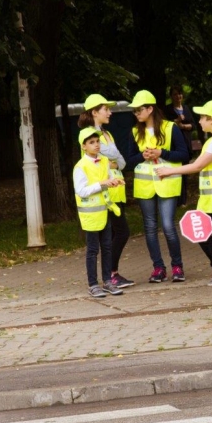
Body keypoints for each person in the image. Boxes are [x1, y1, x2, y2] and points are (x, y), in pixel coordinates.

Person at [156, 100, 212, 288]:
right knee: (198, 231)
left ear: (211, 119)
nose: (200, 122)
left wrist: (168, 171)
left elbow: (197, 166)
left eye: (203, 118)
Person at [126, 90, 189, 283]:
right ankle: (158, 268)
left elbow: (184, 155)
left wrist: (162, 152)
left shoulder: (171, 128)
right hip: (145, 186)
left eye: (139, 109)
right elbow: (129, 162)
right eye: (134, 110)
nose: (136, 113)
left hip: (167, 183)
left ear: (150, 109)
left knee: (169, 226)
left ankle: (177, 266)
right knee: (150, 228)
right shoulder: (135, 132)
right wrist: (141, 157)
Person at [77, 94, 134, 289]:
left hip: (115, 190)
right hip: (103, 193)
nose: (110, 112)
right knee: (120, 232)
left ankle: (111, 274)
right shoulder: (88, 135)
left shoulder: (106, 134)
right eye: (105, 109)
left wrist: (113, 161)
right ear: (94, 112)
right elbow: (96, 163)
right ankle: (110, 273)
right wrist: (111, 162)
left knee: (116, 234)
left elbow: (121, 162)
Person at [73, 127, 125, 298]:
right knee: (93, 249)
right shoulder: (80, 166)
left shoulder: (103, 161)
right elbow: (81, 191)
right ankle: (93, 284)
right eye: (91, 143)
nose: (96, 145)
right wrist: (102, 184)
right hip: (90, 215)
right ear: (84, 146)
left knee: (107, 247)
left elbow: (108, 178)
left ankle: (107, 281)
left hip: (104, 210)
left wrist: (114, 181)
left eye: (97, 142)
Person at [163, 85, 196, 206]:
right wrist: (177, 121)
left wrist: (184, 126)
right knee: (174, 172)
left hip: (186, 144)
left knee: (185, 174)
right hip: (173, 145)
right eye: (175, 94)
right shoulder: (167, 109)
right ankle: (174, 199)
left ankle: (183, 200)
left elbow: (193, 125)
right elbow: (164, 124)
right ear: (171, 96)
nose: (178, 96)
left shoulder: (186, 108)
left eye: (180, 94)